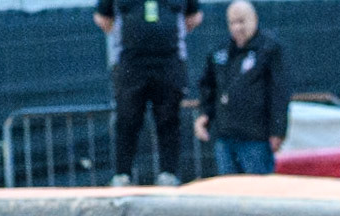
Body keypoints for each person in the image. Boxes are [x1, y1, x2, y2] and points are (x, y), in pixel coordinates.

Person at [95, 0, 202, 187]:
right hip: (131, 63)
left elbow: (195, 16)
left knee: (168, 118)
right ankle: (123, 174)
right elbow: (102, 17)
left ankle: (168, 173)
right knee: (127, 118)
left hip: (168, 61)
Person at [195, 1, 290, 176]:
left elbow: (279, 92)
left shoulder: (269, 49)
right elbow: (208, 86)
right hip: (225, 137)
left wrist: (278, 131)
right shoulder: (220, 51)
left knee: (257, 187)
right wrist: (204, 114)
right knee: (228, 187)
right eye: (232, 22)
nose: (237, 27)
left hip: (256, 138)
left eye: (241, 21)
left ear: (254, 19)